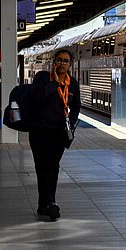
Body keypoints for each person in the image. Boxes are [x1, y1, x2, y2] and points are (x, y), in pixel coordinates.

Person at [30, 49, 80, 221]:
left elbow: (76, 106)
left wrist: (71, 125)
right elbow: (37, 97)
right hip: (40, 132)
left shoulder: (72, 84)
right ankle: (50, 202)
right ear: (54, 62)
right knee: (43, 167)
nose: (62, 64)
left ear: (70, 64)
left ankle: (44, 204)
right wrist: (54, 83)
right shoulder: (42, 78)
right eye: (59, 60)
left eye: (66, 61)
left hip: (59, 134)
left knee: (54, 167)